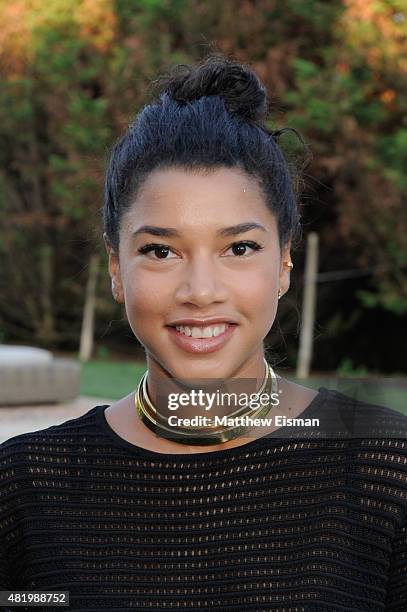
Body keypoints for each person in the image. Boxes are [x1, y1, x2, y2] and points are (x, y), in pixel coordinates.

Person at [0, 54, 406, 611]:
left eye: (239, 248)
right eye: (160, 250)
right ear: (117, 270)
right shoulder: (25, 488)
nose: (200, 290)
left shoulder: (385, 468)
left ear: (284, 263)